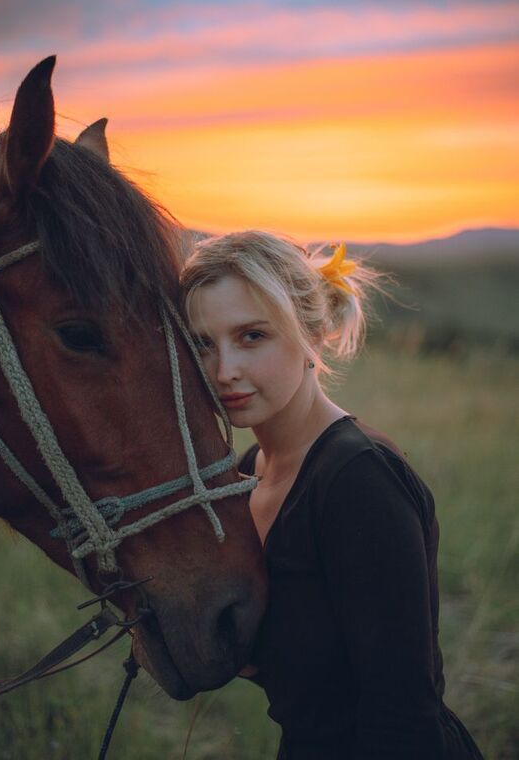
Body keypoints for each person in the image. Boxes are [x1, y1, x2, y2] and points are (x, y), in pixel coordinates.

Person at [180, 231, 484, 760]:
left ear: (312, 336)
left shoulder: (359, 480)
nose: (223, 370)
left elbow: (403, 720)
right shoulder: (247, 473)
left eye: (252, 336)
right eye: (203, 343)